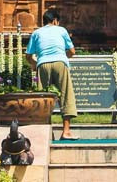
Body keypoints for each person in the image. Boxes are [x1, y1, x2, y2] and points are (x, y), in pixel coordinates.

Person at [25, 9, 78, 140]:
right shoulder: (61, 30)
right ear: (55, 20)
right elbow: (72, 52)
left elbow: (28, 56)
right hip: (60, 63)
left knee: (43, 97)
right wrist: (61, 57)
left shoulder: (36, 33)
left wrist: (34, 64)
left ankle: (45, 131)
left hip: (42, 64)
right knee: (66, 95)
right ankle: (66, 131)